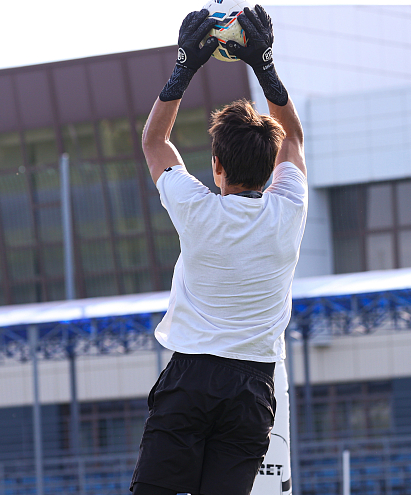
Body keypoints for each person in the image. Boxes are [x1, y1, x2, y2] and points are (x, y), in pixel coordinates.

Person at [130, 5, 307, 495]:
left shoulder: (197, 210)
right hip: (253, 387)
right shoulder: (289, 211)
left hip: (191, 376)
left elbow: (154, 142)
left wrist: (185, 66)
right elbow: (292, 136)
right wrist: (263, 65)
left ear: (216, 166)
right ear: (271, 170)